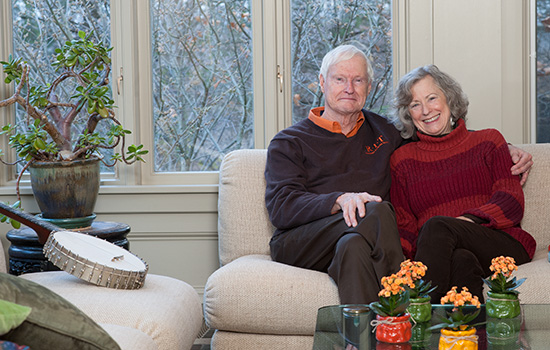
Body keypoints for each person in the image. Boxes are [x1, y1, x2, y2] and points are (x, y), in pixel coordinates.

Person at [265, 45, 533, 305]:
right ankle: (409, 305)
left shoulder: (385, 132)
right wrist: (340, 200)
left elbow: (439, 140)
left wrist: (507, 150)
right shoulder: (289, 141)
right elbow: (281, 206)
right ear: (322, 82)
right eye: (339, 79)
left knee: (354, 247)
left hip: (357, 237)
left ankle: (379, 338)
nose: (349, 88)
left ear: (369, 87)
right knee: (378, 211)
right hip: (304, 240)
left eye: (358, 80)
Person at [389, 64, 536, 303]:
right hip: (440, 254)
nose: (426, 110)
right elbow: (404, 224)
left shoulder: (488, 141)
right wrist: (404, 269)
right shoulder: (402, 160)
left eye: (432, 98)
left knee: (438, 227)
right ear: (409, 114)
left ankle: (420, 318)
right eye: (415, 104)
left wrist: (466, 221)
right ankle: (470, 336)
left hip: (498, 243)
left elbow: (510, 200)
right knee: (461, 260)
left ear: (449, 98)